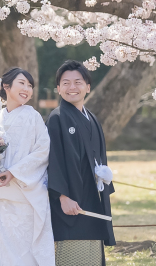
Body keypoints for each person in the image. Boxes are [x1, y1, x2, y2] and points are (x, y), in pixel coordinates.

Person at [0, 67, 55, 266]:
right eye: (22, 83)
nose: (27, 89)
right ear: (6, 86)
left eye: (30, 86)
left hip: (23, 197)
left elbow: (43, 150)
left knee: (23, 254)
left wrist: (14, 172)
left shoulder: (33, 116)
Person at [46, 60, 115, 266]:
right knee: (71, 252)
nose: (72, 88)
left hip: (92, 196)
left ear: (88, 87)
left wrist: (105, 175)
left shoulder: (92, 118)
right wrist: (62, 196)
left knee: (92, 251)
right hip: (70, 201)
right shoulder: (57, 118)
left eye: (78, 82)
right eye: (65, 83)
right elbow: (53, 159)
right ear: (58, 89)